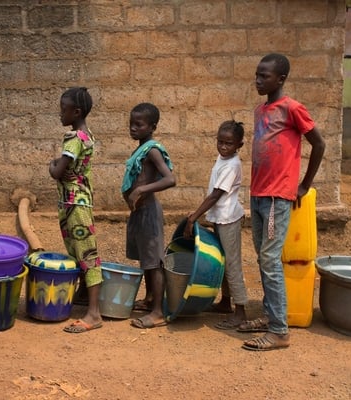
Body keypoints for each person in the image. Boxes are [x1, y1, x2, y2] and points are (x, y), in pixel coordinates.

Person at [240, 53, 325, 351]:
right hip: (259, 194)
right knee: (264, 259)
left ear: (281, 79)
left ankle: (279, 331)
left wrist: (304, 185)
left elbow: (319, 143)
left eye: (265, 76)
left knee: (270, 260)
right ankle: (268, 315)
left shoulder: (292, 109)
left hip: (277, 197)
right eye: (257, 74)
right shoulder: (259, 110)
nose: (258, 80)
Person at [184, 120, 249, 329]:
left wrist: (194, 216)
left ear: (239, 145)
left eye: (229, 143)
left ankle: (240, 311)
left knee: (231, 265)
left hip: (228, 219)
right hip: (220, 217)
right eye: (220, 141)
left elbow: (215, 195)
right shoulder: (223, 159)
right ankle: (226, 302)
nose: (223, 146)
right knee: (222, 260)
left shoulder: (232, 165)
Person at [49, 87, 103, 333]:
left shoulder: (73, 138)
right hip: (77, 201)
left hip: (75, 204)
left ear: (76, 111)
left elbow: (58, 171)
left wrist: (52, 166)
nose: (60, 113)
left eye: (64, 109)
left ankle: (94, 314)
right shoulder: (87, 134)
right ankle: (83, 296)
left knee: (86, 253)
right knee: (77, 249)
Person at [122, 102, 176, 329]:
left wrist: (142, 190)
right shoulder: (141, 148)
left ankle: (158, 313)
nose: (133, 128)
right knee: (146, 259)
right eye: (131, 124)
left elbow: (169, 179)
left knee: (154, 262)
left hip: (149, 211)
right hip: (139, 212)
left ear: (152, 126)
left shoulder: (153, 149)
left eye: (139, 124)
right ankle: (150, 298)